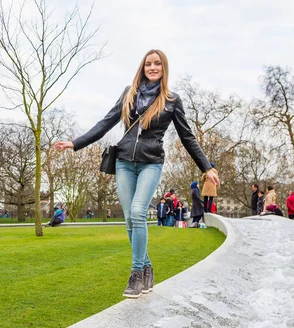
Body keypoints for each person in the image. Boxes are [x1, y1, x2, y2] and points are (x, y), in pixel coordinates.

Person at [54, 49, 219, 298]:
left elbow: (187, 137)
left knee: (137, 211)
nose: (152, 68)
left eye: (157, 64)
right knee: (130, 220)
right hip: (123, 162)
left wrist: (207, 167)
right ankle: (148, 267)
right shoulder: (128, 94)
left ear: (164, 69)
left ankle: (136, 273)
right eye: (148, 64)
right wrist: (75, 143)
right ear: (142, 68)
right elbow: (105, 122)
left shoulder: (172, 100)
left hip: (150, 163)